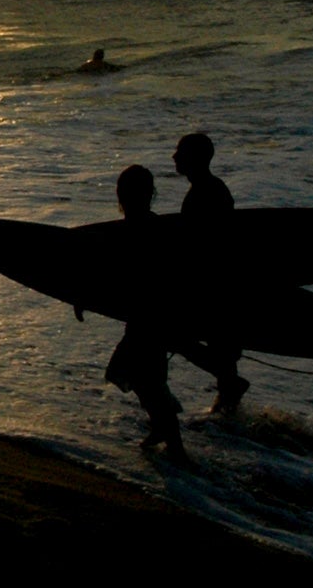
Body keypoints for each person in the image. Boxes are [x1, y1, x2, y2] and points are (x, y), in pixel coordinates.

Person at [102, 165, 187, 459]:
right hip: (152, 315)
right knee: (143, 376)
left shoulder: (139, 228)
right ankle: (163, 430)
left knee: (144, 378)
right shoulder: (151, 225)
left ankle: (176, 446)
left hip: (150, 316)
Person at [173, 132, 248, 413]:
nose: (174, 156)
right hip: (226, 282)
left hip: (214, 285)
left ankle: (231, 390)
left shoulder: (204, 192)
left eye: (180, 151)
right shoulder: (211, 188)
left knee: (179, 338)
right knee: (224, 353)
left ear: (194, 158)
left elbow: (202, 246)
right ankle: (228, 412)